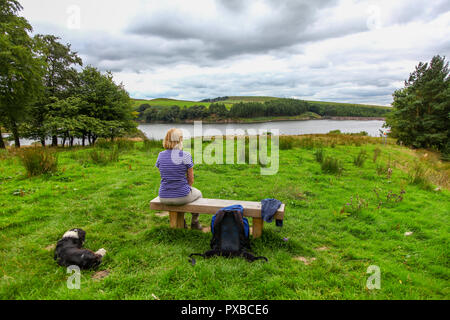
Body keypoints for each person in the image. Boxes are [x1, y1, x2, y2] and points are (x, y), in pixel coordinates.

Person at [155, 128, 203, 230]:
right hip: (181, 196)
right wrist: (184, 188)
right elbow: (191, 180)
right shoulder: (185, 155)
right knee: (198, 193)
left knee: (184, 194)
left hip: (163, 196)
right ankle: (195, 222)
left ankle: (183, 222)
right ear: (180, 140)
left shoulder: (160, 155)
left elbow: (163, 175)